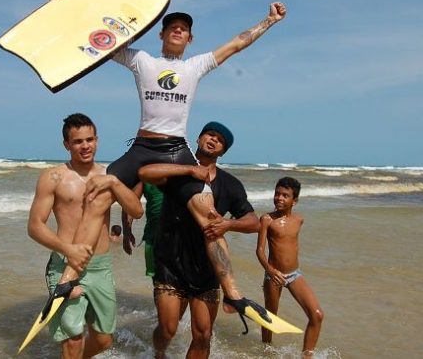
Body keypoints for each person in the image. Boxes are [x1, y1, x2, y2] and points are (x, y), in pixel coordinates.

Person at [51, 0, 286, 323]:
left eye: (183, 28)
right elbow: (97, 43)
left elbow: (236, 43)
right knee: (98, 193)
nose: (177, 30)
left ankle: (233, 295)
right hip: (142, 147)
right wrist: (67, 7)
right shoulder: (142, 60)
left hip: (177, 150)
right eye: (171, 26)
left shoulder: (195, 65)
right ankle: (68, 279)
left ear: (190, 39)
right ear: (161, 34)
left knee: (208, 214)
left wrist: (269, 21)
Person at [26, 113, 143, 358]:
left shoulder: (109, 175)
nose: (85, 146)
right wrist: (68, 249)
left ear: (97, 140)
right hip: (66, 264)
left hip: (101, 266)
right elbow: (35, 226)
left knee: (103, 339)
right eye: (78, 141)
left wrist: (113, 182)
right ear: (67, 145)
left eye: (90, 139)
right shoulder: (53, 177)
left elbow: (136, 210)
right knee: (73, 340)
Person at [138, 122, 259, 358]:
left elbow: (253, 221)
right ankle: (158, 353)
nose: (213, 140)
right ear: (198, 138)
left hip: (206, 266)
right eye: (209, 135)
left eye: (220, 140)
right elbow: (146, 172)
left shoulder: (230, 184)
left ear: (223, 151)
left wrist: (228, 224)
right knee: (168, 328)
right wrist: (189, 171)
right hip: (171, 260)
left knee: (203, 334)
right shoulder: (178, 170)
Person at [256, 177, 323, 357]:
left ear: (295, 201)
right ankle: (266, 351)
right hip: (273, 276)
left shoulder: (299, 220)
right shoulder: (267, 219)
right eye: (277, 194)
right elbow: (260, 251)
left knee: (317, 315)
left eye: (285, 195)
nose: (279, 198)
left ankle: (307, 355)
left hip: (294, 275)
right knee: (270, 319)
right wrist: (270, 270)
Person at [121, 182, 164, 278]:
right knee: (159, 283)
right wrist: (127, 232)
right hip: (153, 238)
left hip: (182, 238)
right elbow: (130, 203)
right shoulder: (144, 173)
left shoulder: (183, 168)